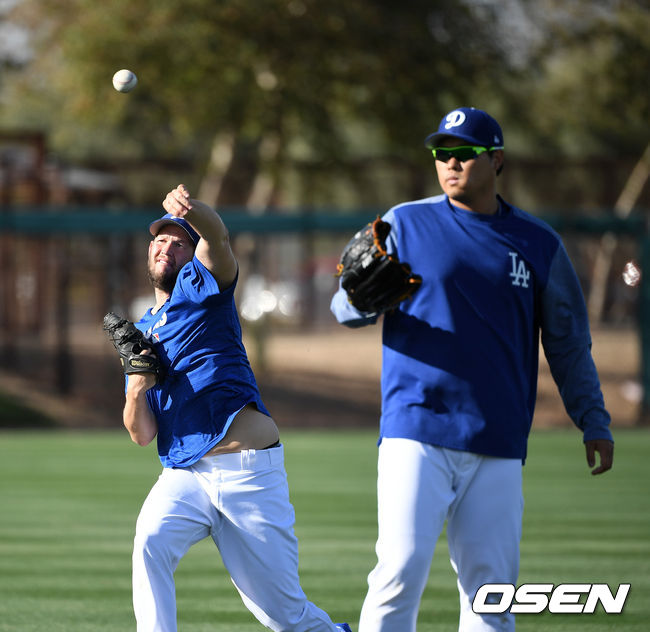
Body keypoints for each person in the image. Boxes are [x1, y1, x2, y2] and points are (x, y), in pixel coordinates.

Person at [330, 107, 614, 632]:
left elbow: (569, 342)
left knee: (491, 594)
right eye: (442, 153)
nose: (451, 162)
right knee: (398, 573)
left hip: (499, 437)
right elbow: (343, 309)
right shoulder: (405, 222)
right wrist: (361, 301)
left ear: (496, 160)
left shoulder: (538, 243)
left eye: (464, 153)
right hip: (417, 427)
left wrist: (592, 418)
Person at [120, 184, 352, 632]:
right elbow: (141, 433)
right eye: (160, 239)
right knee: (149, 541)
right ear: (149, 251)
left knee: (283, 615)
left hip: (247, 469)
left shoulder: (203, 290)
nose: (167, 245)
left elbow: (218, 239)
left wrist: (194, 212)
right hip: (185, 473)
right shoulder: (140, 334)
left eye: (179, 240)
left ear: (193, 255)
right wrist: (135, 388)